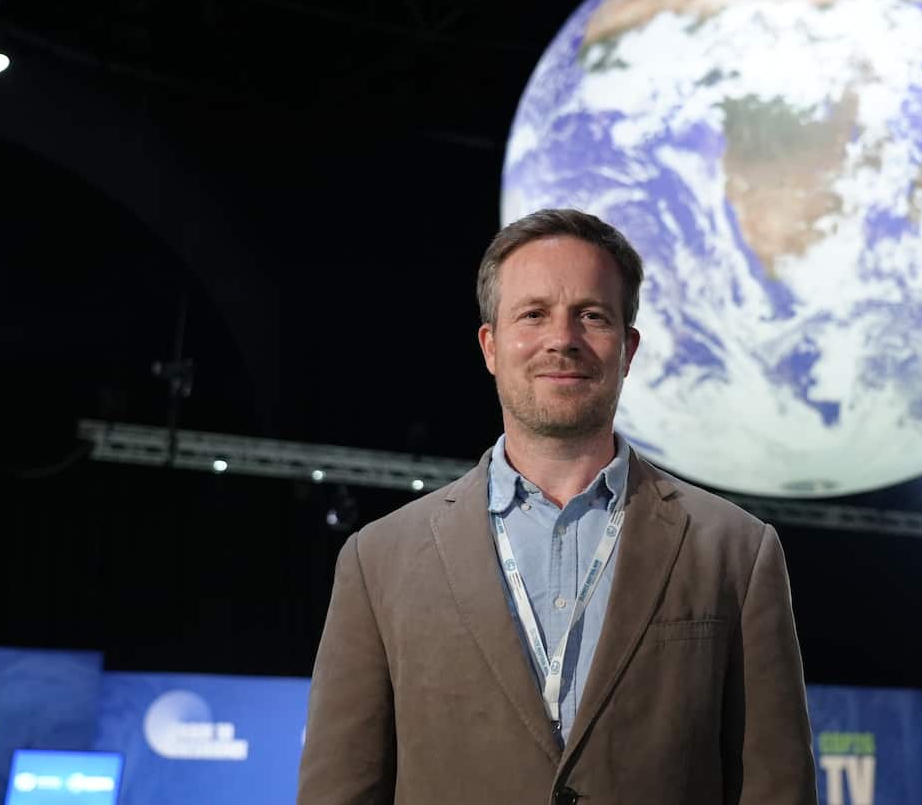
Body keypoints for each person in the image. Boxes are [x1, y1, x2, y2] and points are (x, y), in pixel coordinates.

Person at [297, 208, 817, 805]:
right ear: (491, 345)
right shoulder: (378, 560)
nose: (561, 339)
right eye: (533, 314)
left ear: (628, 347)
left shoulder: (736, 550)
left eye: (591, 316)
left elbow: (778, 790)